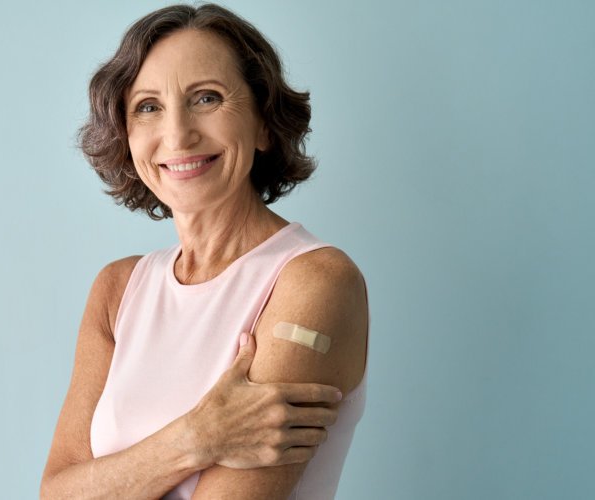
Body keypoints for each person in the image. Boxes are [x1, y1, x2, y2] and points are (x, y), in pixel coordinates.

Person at [40, 4, 369, 499]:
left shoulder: (314, 281)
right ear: (127, 137)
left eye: (206, 98)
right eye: (148, 107)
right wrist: (198, 438)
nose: (178, 135)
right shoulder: (117, 290)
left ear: (263, 124)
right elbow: (55, 493)